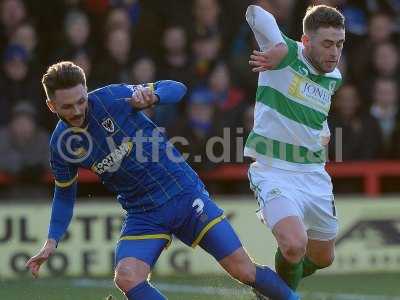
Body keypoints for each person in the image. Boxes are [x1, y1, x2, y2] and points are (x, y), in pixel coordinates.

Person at [25, 61, 299, 300]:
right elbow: (64, 194)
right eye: (67, 106)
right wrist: (52, 240)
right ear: (51, 106)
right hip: (143, 212)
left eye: (81, 101)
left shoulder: (111, 98)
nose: (77, 110)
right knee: (127, 277)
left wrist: (152, 98)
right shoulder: (62, 145)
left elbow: (176, 88)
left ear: (86, 91)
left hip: (182, 192)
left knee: (243, 270)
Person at [245, 4, 345, 297]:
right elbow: (254, 13)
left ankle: (272, 287)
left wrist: (322, 134)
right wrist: (278, 47)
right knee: (293, 245)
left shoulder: (334, 77)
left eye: (339, 44)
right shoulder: (284, 53)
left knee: (323, 257)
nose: (334, 52)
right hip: (273, 170)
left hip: (314, 174)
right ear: (306, 41)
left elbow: (315, 113)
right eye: (327, 44)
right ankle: (281, 294)